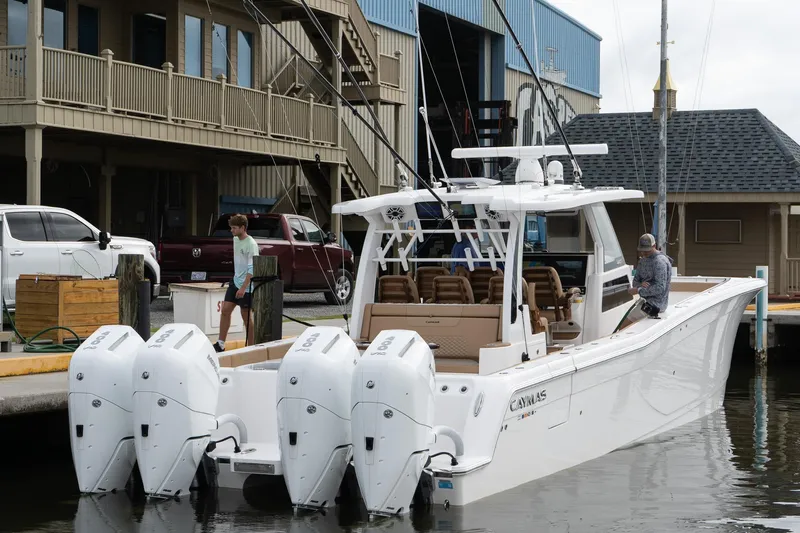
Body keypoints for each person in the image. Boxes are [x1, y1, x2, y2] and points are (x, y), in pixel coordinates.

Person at [213, 214, 259, 352]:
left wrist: (244, 287)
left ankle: (251, 347)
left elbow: (252, 268)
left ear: (243, 228)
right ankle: (220, 344)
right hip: (235, 281)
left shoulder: (251, 244)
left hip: (247, 285)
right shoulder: (235, 239)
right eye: (231, 228)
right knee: (225, 310)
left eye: (234, 228)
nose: (231, 230)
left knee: (246, 316)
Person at [622, 233, 673, 325]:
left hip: (656, 305)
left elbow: (659, 288)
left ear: (654, 246)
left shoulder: (660, 262)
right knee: (624, 322)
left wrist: (639, 290)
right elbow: (636, 281)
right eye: (642, 250)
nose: (644, 253)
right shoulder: (643, 261)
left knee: (625, 325)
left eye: (647, 250)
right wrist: (641, 285)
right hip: (644, 302)